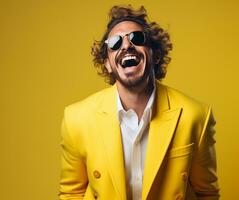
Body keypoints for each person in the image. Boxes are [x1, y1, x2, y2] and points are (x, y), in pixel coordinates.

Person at [59, 5, 220, 200]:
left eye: (137, 38)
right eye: (115, 43)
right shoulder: (77, 119)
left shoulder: (195, 115)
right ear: (108, 64)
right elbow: (71, 194)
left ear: (155, 53)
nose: (126, 45)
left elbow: (207, 194)